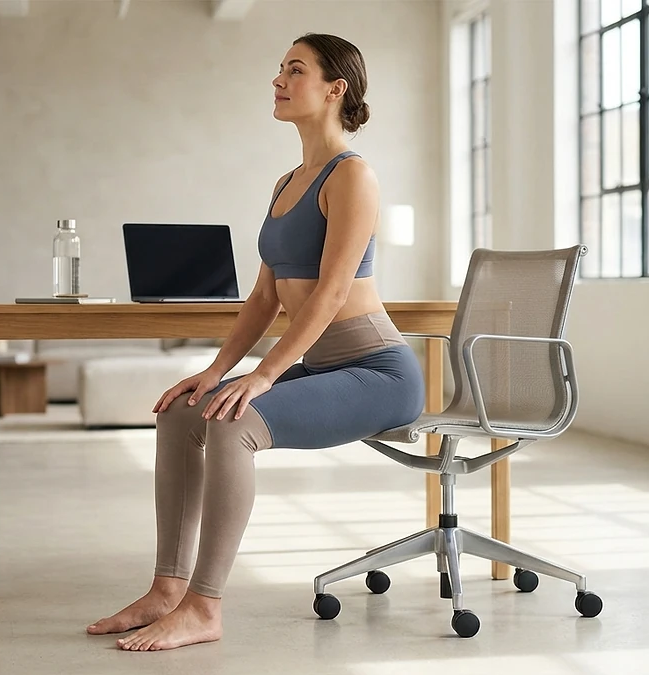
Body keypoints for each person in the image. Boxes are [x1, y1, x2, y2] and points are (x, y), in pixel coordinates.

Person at [86, 32, 425, 652]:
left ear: (334, 89)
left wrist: (261, 377)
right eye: (279, 68)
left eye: (295, 69)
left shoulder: (354, 176)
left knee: (231, 424)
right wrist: (216, 370)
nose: (278, 79)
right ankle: (167, 590)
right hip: (323, 366)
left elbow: (327, 295)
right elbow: (265, 296)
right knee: (185, 411)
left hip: (378, 373)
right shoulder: (286, 183)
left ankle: (204, 606)